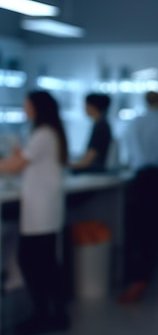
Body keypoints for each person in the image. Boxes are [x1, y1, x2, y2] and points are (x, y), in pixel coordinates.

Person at [0, 91, 70, 334]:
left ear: (37, 107)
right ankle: (54, 312)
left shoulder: (42, 135)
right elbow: (25, 163)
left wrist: (9, 162)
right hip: (43, 209)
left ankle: (43, 313)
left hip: (41, 210)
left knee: (32, 261)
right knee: (45, 262)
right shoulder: (47, 134)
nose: (24, 109)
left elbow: (15, 167)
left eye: (27, 105)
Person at [117, 91, 158, 303]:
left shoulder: (135, 124)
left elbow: (130, 153)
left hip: (145, 179)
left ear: (145, 102)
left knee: (144, 230)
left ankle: (141, 279)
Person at [71, 93, 112, 173]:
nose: (84, 108)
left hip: (95, 171)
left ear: (93, 106)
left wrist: (72, 165)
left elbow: (89, 159)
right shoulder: (101, 124)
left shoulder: (101, 126)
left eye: (86, 105)